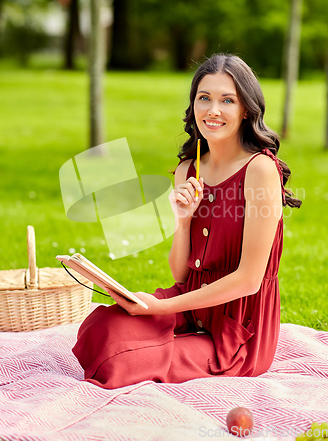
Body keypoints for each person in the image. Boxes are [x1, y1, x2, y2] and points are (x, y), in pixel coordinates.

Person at [72, 53, 302, 389]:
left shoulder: (260, 170)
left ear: (246, 110)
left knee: (121, 358)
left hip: (239, 327)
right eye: (204, 98)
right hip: (193, 305)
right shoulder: (187, 170)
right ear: (193, 105)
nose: (213, 110)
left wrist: (161, 308)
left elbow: (249, 280)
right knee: (101, 328)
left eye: (227, 100)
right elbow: (181, 274)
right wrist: (183, 221)